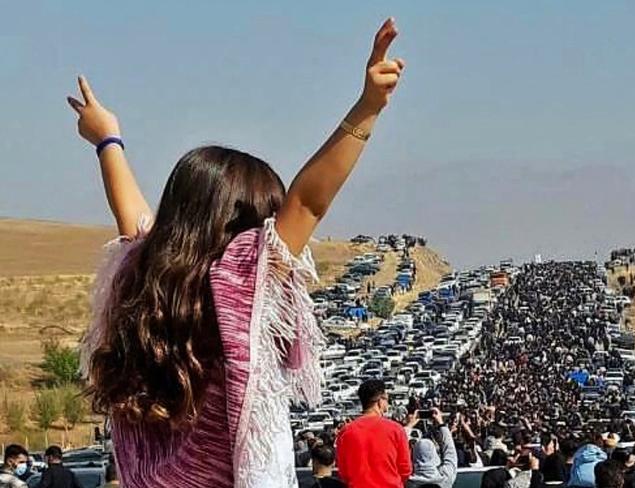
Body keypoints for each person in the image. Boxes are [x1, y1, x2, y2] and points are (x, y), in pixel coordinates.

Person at [67, 17, 404, 488]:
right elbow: (308, 202)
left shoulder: (143, 290)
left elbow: (134, 223)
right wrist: (368, 108)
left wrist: (108, 140)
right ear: (245, 227)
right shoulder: (241, 283)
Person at [336, 380, 411, 487]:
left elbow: (343, 472)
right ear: (380, 401)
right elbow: (405, 469)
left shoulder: (346, 432)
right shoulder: (396, 429)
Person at [407, 408, 458, 488]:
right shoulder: (445, 478)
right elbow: (450, 452)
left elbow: (394, 449)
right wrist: (441, 423)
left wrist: (409, 425)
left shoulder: (408, 481)